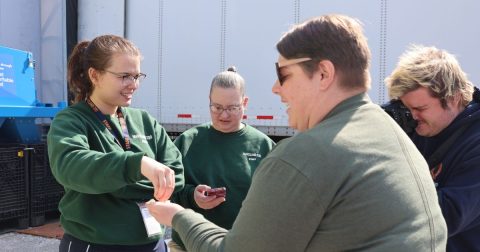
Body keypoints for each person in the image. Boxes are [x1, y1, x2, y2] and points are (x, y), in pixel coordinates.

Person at [146, 14, 447, 251]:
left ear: (324, 74)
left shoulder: (305, 154)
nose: (276, 88)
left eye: (283, 74)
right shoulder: (389, 132)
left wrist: (178, 216)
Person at [47, 34, 184, 252]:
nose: (134, 85)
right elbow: (71, 167)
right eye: (124, 76)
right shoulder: (72, 121)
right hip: (96, 245)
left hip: (152, 244)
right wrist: (139, 167)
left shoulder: (144, 121)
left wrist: (115, 185)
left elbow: (174, 172)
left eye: (137, 76)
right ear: (95, 75)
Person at [385, 45, 480, 252]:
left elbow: (447, 217)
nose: (413, 116)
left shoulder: (475, 144)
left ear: (453, 98)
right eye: (407, 108)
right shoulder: (420, 128)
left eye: (420, 108)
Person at [169, 67, 275, 251]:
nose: (224, 115)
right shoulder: (187, 141)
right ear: (209, 101)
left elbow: (275, 200)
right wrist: (192, 196)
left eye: (232, 108)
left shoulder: (263, 146)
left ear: (245, 103)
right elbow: (167, 190)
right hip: (188, 245)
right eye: (217, 107)